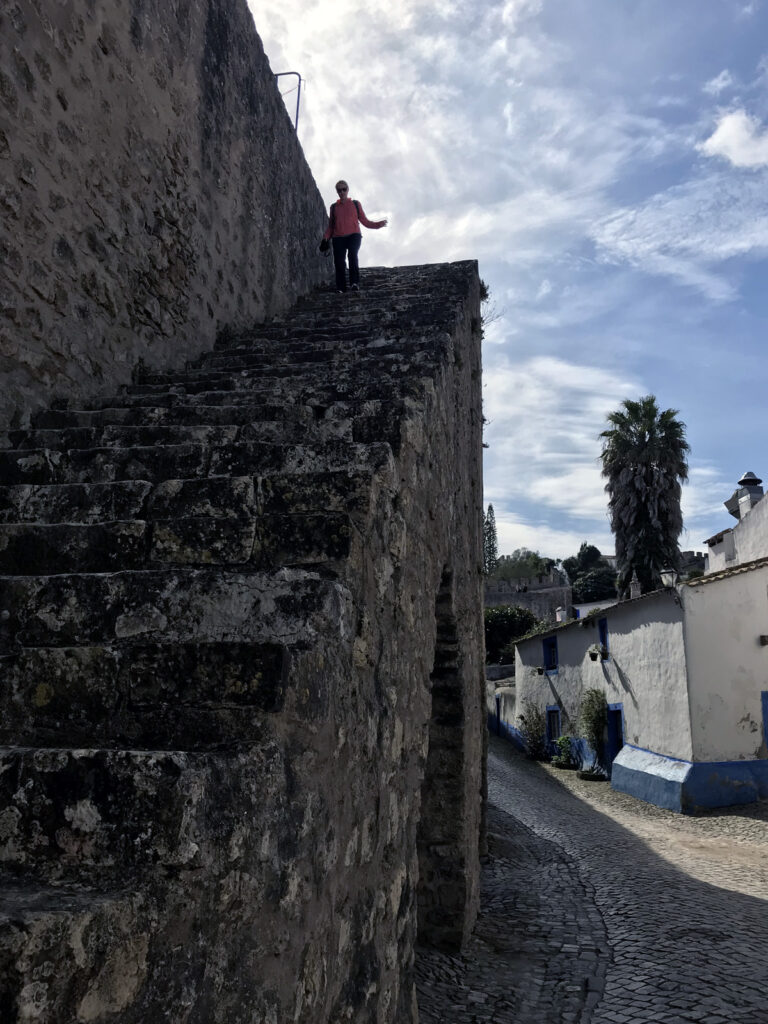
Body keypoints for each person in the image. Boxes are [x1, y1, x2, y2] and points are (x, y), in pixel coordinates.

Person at [323, 180, 387, 293]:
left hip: (354, 235)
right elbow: (331, 227)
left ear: (348, 190)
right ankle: (341, 288)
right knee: (339, 262)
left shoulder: (356, 204)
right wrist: (325, 239)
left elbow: (365, 221)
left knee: (352, 255)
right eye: (339, 190)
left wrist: (378, 225)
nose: (341, 192)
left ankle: (354, 283)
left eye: (344, 189)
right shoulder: (333, 207)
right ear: (337, 192)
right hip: (338, 238)